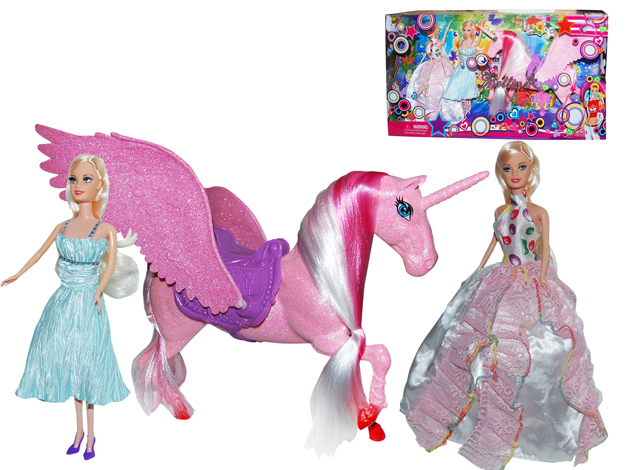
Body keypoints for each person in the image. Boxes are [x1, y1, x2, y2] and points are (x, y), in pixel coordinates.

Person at [401, 141, 607, 469]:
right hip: (501, 274)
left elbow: (544, 247)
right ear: (501, 172)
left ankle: (533, 422)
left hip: (530, 277)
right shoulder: (499, 211)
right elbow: (494, 242)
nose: (514, 174)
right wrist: (478, 269)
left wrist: (543, 277)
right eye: (508, 168)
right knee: (473, 337)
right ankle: (462, 414)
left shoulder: (539, 212)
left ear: (532, 170)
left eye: (521, 167)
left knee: (532, 344)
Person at [2, 154, 138, 460]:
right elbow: (38, 254)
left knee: (88, 367)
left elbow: (109, 265)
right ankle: (77, 433)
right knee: (70, 364)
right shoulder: (62, 226)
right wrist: (17, 274)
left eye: (87, 179)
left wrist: (99, 290)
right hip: (63, 304)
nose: (78, 185)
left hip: (89, 304)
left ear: (100, 186)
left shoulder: (106, 229)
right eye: (74, 179)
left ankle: (91, 436)